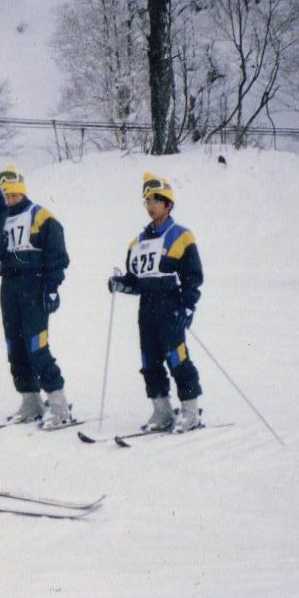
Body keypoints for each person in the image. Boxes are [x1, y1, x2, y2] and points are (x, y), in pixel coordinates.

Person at [106, 173, 205, 432]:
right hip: (147, 307)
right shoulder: (137, 242)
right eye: (146, 202)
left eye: (155, 201)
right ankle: (161, 410)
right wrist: (121, 283)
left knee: (177, 358)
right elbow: (136, 280)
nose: (150, 207)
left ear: (168, 204)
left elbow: (193, 277)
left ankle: (190, 410)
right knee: (149, 360)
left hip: (170, 304)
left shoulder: (181, 236)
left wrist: (188, 305)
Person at [0, 164, 73, 427]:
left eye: (14, 195)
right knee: (15, 346)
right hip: (9, 288)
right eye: (6, 196)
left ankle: (58, 402)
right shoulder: (2, 219)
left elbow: (57, 255)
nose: (11, 200)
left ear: (22, 192)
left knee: (37, 347)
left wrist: (53, 286)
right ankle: (30, 398)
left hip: (35, 287)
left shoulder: (41, 216)